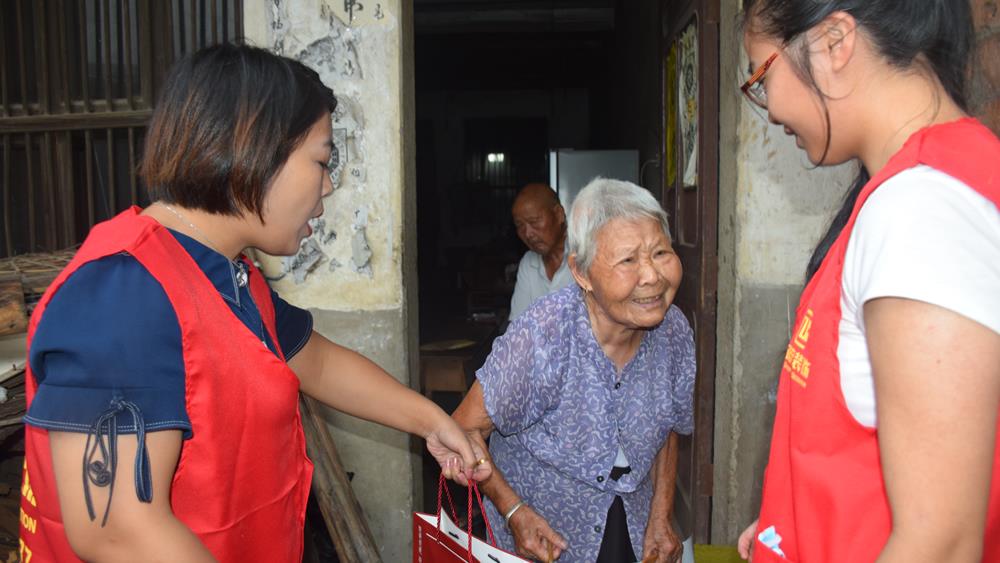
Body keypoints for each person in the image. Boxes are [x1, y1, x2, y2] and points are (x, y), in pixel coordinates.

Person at [18, 44, 489, 562]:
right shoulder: (121, 294)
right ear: (253, 147)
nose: (328, 186)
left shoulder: (228, 272)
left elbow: (317, 361)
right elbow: (116, 531)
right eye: (321, 160)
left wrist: (431, 421)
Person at [736, 1, 1000, 561]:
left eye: (762, 76)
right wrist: (796, 518)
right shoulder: (919, 191)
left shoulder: (923, 210)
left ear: (835, 43)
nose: (771, 109)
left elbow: (942, 543)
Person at [453, 178, 696, 562]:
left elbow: (667, 425)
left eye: (661, 253)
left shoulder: (674, 329)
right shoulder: (544, 335)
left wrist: (661, 514)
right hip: (546, 535)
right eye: (629, 260)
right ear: (581, 273)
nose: (652, 276)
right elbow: (464, 428)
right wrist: (513, 510)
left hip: (630, 519)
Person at [508, 182, 575, 320]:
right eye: (520, 225)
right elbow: (517, 327)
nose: (528, 234)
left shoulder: (588, 256)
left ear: (559, 214)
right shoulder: (528, 263)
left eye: (534, 222)